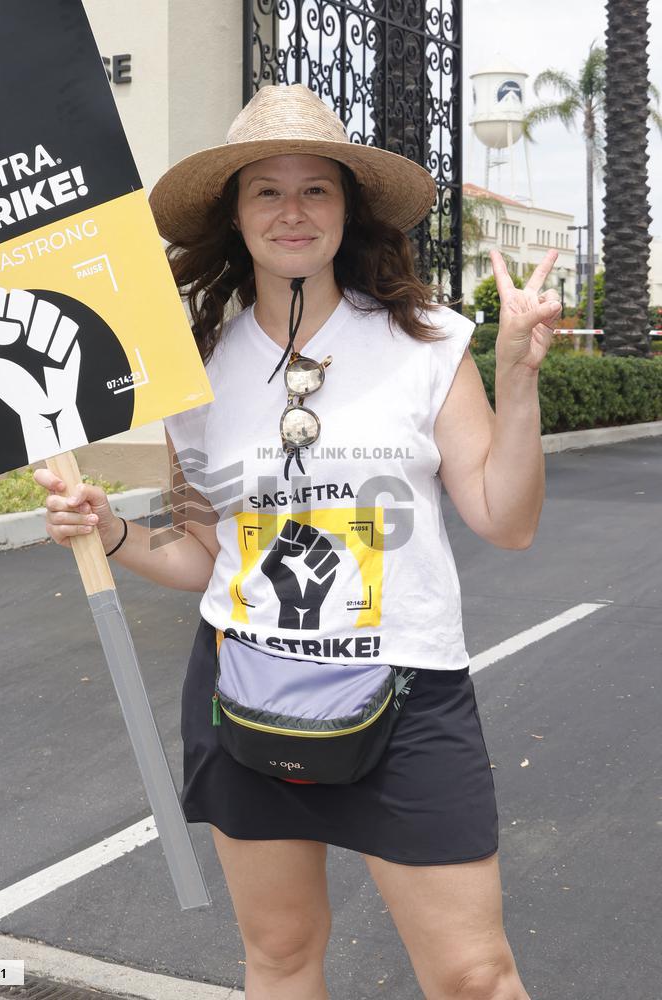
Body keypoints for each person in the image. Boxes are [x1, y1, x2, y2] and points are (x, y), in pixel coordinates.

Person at [34, 84, 562, 1000]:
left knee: (475, 975)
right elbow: (204, 555)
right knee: (278, 959)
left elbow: (504, 520)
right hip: (247, 688)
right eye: (265, 191)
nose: (291, 210)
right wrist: (110, 529)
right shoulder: (196, 370)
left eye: (315, 189)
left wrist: (518, 381)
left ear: (347, 210)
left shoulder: (426, 341)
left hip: (407, 692)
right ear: (234, 216)